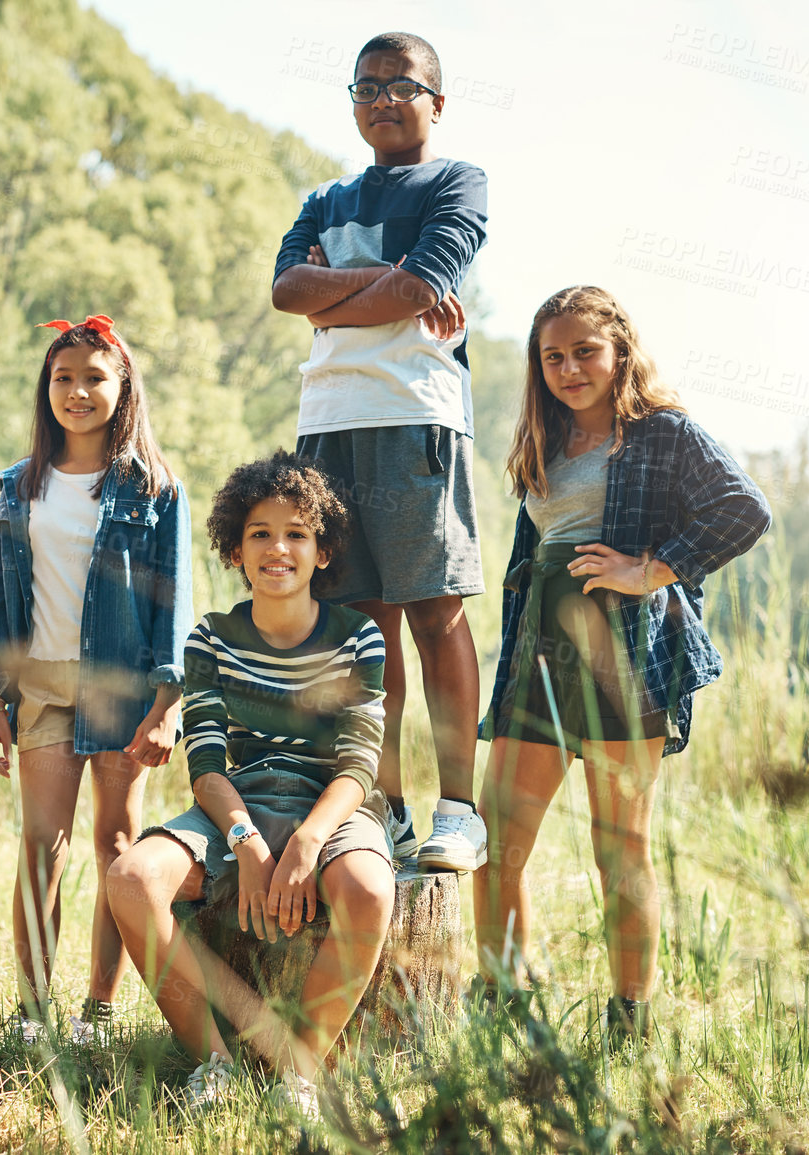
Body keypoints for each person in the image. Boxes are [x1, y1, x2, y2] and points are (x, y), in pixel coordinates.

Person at [473, 285, 771, 1041]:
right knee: (495, 834)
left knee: (619, 844)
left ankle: (628, 1019)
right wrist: (510, 662)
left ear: (618, 352)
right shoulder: (544, 439)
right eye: (552, 356)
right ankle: (504, 999)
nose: (569, 368)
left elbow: (743, 507)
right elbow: (529, 557)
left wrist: (654, 567)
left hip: (624, 650)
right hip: (541, 642)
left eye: (583, 351)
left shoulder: (663, 433)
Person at [106, 452, 395, 1120]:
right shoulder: (212, 635)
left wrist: (306, 842)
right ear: (235, 548)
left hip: (332, 806)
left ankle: (298, 1065)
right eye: (260, 532)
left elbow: (357, 765)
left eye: (296, 532)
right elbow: (204, 761)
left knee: (371, 889)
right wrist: (247, 843)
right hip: (238, 801)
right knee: (129, 877)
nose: (278, 547)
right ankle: (215, 1059)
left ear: (322, 551)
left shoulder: (359, 637)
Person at [271, 30, 490, 873]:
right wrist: (384, 288)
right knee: (362, 630)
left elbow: (419, 286)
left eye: (401, 85)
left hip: (414, 415)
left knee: (434, 610)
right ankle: (385, 809)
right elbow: (289, 290)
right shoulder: (325, 196)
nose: (382, 101)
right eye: (365, 88)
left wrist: (352, 293)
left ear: (436, 101)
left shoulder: (457, 182)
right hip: (328, 420)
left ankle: (459, 811)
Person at [0, 315, 193, 1046]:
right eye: (63, 377)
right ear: (46, 388)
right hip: (37, 683)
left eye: (94, 377)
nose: (77, 391)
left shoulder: (155, 489)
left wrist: (168, 704)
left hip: (121, 685)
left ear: (122, 386)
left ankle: (97, 1011)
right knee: (42, 842)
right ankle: (32, 1011)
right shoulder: (18, 485)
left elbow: (174, 601)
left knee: (117, 842)